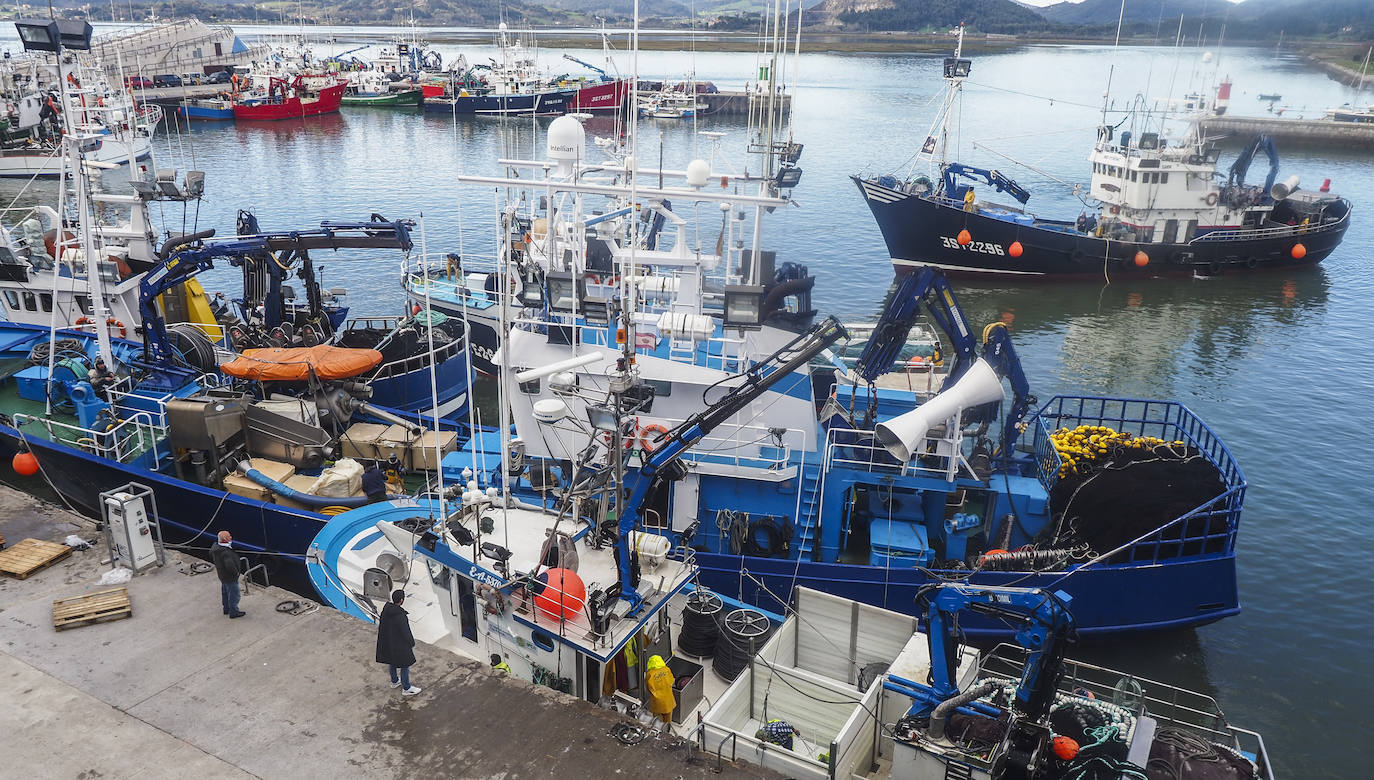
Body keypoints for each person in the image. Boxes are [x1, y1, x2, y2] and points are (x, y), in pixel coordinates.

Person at [376, 589, 420, 695]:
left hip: (389, 643)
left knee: (392, 662)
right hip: (400, 645)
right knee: (405, 665)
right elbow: (406, 632)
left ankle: (394, 681)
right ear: (401, 601)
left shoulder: (386, 611)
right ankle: (406, 688)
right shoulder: (400, 616)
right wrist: (411, 642)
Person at [209, 531, 244, 618]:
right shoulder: (225, 553)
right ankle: (234, 612)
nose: (231, 538)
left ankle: (226, 608)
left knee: (225, 592)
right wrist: (236, 573)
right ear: (225, 540)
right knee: (234, 594)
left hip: (222, 575)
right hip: (230, 577)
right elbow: (230, 565)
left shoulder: (215, 549)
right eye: (229, 537)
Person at [645, 654, 676, 726]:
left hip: (656, 701)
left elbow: (648, 687)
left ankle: (656, 727)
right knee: (668, 718)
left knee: (656, 719)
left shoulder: (649, 674)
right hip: (668, 699)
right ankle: (667, 728)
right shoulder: (666, 669)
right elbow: (671, 681)